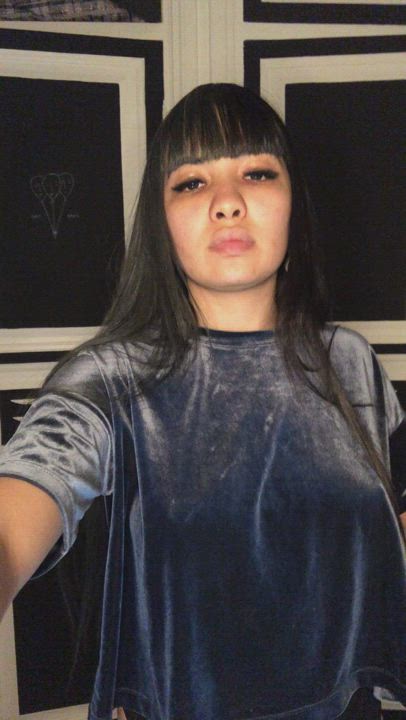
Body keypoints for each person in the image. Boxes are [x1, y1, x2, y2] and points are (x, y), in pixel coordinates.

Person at [0, 83, 405, 720]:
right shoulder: (108, 379)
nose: (227, 202)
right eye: (191, 183)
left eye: (257, 173)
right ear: (160, 223)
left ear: (293, 203)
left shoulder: (350, 361)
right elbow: (29, 490)